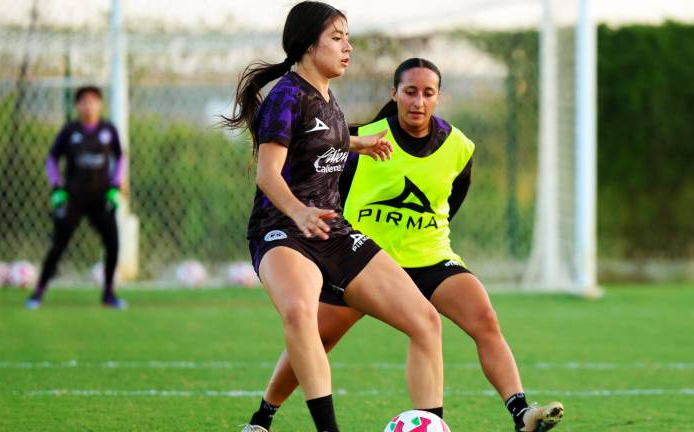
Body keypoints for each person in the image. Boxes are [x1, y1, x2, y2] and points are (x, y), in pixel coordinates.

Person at [244, 58, 565, 432]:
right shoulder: (360, 137)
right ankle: (263, 417)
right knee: (317, 334)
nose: (418, 101)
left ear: (438, 97)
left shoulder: (459, 147)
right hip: (363, 260)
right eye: (410, 91)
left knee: (484, 319)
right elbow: (327, 191)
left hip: (430, 258)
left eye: (428, 93)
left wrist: (423, 237)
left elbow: (451, 202)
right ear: (394, 93)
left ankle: (520, 413)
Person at [223, 4, 444, 432]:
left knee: (424, 320)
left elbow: (324, 142)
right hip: (282, 229)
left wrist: (359, 144)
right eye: (338, 37)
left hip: (332, 230)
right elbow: (268, 175)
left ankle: (431, 426)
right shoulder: (286, 96)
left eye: (347, 37)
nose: (349, 47)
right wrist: (299, 211)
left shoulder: (326, 93)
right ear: (308, 45)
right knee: (300, 313)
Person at [26, 86, 125, 310]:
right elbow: (52, 159)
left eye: (93, 101)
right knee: (58, 245)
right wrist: (56, 188)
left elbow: (120, 158)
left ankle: (108, 294)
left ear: (100, 105)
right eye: (84, 101)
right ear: (77, 106)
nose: (88, 105)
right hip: (74, 197)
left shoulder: (108, 130)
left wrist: (115, 186)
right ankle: (38, 292)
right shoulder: (70, 131)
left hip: (101, 198)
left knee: (113, 244)